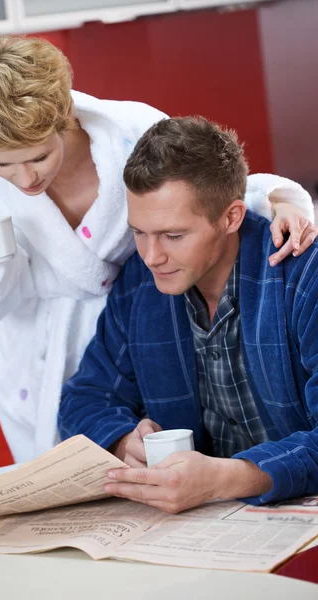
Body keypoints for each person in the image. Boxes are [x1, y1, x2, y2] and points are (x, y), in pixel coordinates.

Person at [0, 36, 316, 464]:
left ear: (64, 116)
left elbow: (198, 184)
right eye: (3, 164)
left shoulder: (129, 132)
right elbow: (4, 304)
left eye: (40, 157)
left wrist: (280, 200)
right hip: (51, 346)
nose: (24, 179)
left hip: (144, 314)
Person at [58, 116, 318, 511]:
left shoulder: (303, 276)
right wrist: (123, 439)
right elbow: (84, 396)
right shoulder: (138, 285)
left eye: (174, 235)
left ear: (231, 217)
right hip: (196, 527)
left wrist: (226, 479)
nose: (151, 256)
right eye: (139, 232)